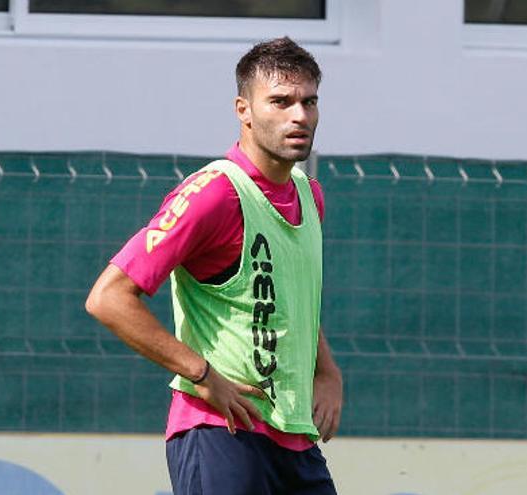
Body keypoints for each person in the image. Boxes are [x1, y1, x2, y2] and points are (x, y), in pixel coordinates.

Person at [86, 37, 342, 494]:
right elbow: (108, 298)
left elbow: (294, 299)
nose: (299, 116)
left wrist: (327, 371)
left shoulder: (309, 193)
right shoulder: (214, 193)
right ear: (243, 109)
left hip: (295, 438)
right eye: (280, 102)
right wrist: (201, 374)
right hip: (220, 431)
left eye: (309, 102)